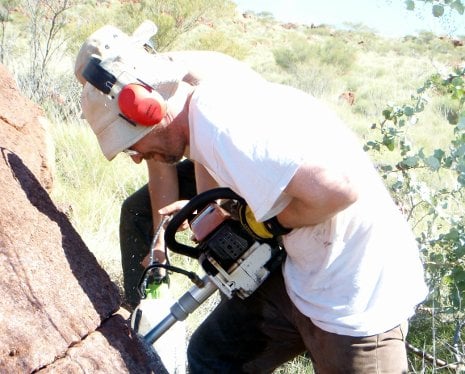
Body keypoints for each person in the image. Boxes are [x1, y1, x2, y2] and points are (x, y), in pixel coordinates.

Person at [76, 24, 428, 373]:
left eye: (130, 144)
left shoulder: (224, 123)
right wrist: (219, 211)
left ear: (148, 111)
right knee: (211, 356)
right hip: (302, 275)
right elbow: (235, 180)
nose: (135, 156)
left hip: (357, 298)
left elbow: (339, 189)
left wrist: (259, 222)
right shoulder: (200, 114)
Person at [74, 23, 264, 309]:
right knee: (137, 212)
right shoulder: (138, 92)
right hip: (209, 154)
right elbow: (161, 166)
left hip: (256, 165)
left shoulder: (181, 82)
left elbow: (208, 162)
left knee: (220, 239)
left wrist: (207, 214)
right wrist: (159, 247)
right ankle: (143, 310)